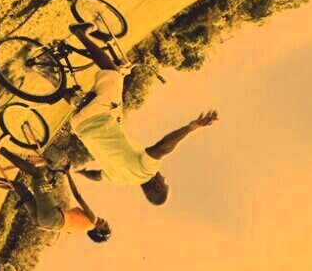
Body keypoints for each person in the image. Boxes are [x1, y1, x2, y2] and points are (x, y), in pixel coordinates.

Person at [66, 21, 218, 206]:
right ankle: (54, 80)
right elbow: (97, 176)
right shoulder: (121, 180)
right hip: (79, 127)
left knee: (112, 72)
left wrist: (191, 127)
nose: (164, 178)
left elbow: (161, 148)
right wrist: (82, 173)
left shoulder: (147, 171)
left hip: (98, 117)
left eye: (165, 182)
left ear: (158, 187)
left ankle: (80, 33)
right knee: (114, 111)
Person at [0, 147, 112, 243]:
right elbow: (64, 225)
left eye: (105, 225)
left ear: (98, 230)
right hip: (43, 223)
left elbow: (77, 196)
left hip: (53, 217)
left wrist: (67, 174)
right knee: (20, 188)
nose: (104, 221)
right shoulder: (81, 229)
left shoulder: (93, 220)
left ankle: (1, 150)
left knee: (38, 175)